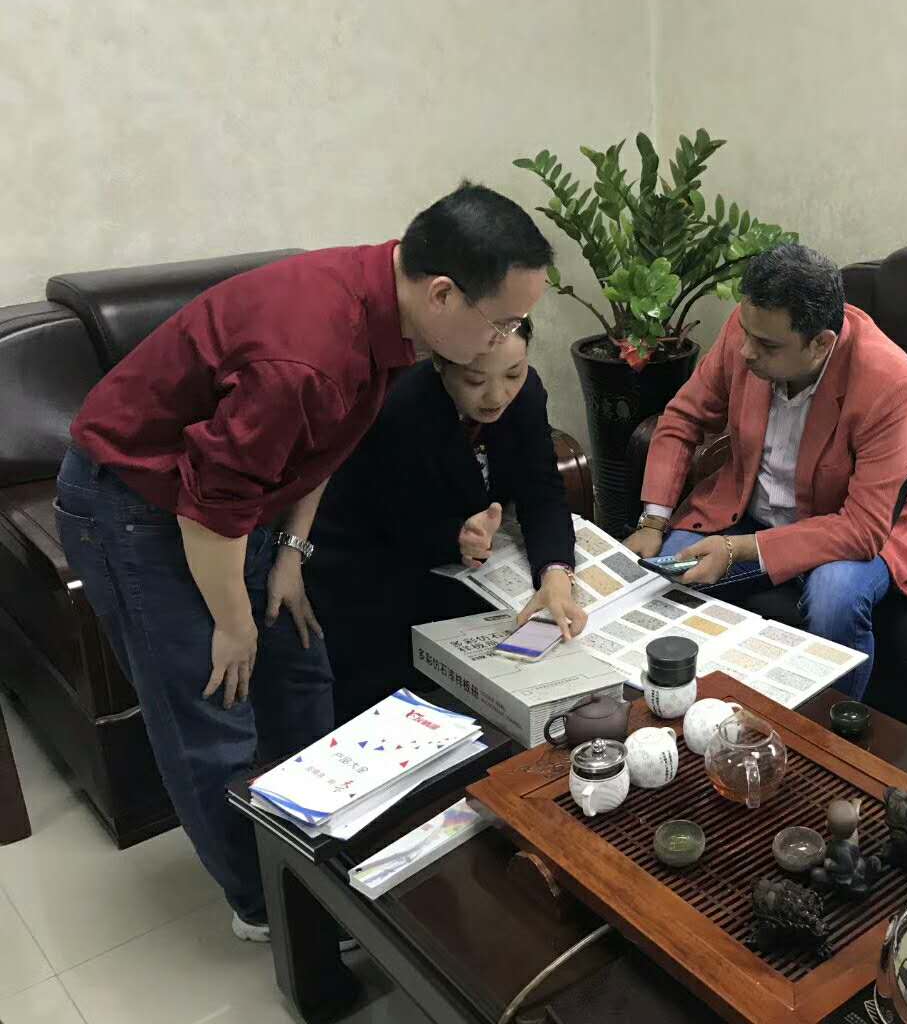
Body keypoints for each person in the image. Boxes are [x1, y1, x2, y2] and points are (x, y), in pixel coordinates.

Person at [53, 181, 553, 942]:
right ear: (444, 293)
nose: (505, 340)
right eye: (503, 322)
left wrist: (289, 552)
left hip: (237, 506)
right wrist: (233, 623)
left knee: (301, 671)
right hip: (139, 505)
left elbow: (323, 440)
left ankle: (313, 857)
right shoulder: (309, 353)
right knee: (216, 710)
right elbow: (208, 506)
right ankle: (267, 908)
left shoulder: (385, 304)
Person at [625, 243, 907, 698]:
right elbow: (682, 418)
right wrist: (653, 522)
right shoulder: (751, 331)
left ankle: (828, 730)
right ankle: (700, 710)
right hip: (747, 513)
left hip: (849, 530)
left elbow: (861, 529)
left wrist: (737, 549)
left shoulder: (891, 385)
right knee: (666, 576)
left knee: (835, 597)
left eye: (766, 345)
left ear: (820, 344)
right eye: (745, 333)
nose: (745, 351)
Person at [307, 319, 585, 723]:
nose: (497, 396)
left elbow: (541, 488)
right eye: (475, 380)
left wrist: (556, 572)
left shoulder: (526, 394)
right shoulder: (399, 406)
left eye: (513, 373)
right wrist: (454, 537)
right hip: (371, 571)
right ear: (442, 362)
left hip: (464, 563)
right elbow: (383, 515)